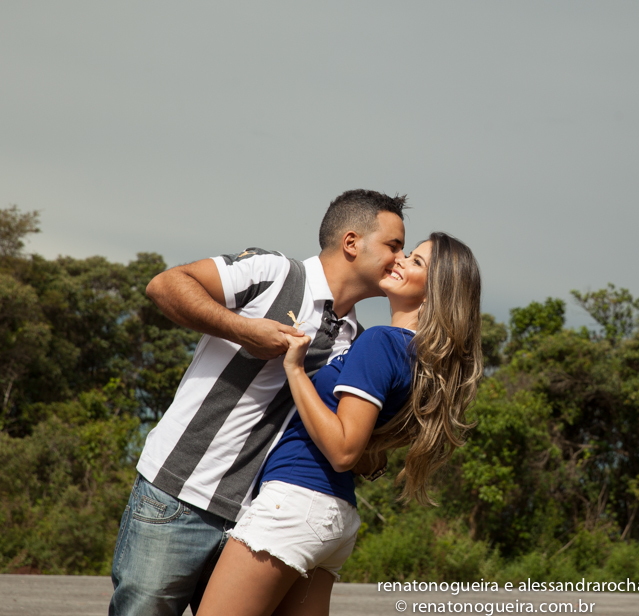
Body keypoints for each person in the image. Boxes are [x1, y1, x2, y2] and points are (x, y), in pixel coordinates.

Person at [109, 190, 409, 616]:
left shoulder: (355, 341)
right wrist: (243, 330)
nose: (400, 259)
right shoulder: (275, 272)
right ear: (351, 242)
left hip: (257, 522)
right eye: (393, 246)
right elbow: (165, 285)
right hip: (177, 497)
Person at [197, 232, 485, 616]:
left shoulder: (382, 342)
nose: (399, 259)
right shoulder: (419, 359)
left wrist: (295, 369)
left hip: (296, 502)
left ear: (436, 292)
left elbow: (344, 450)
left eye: (416, 261)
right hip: (334, 516)